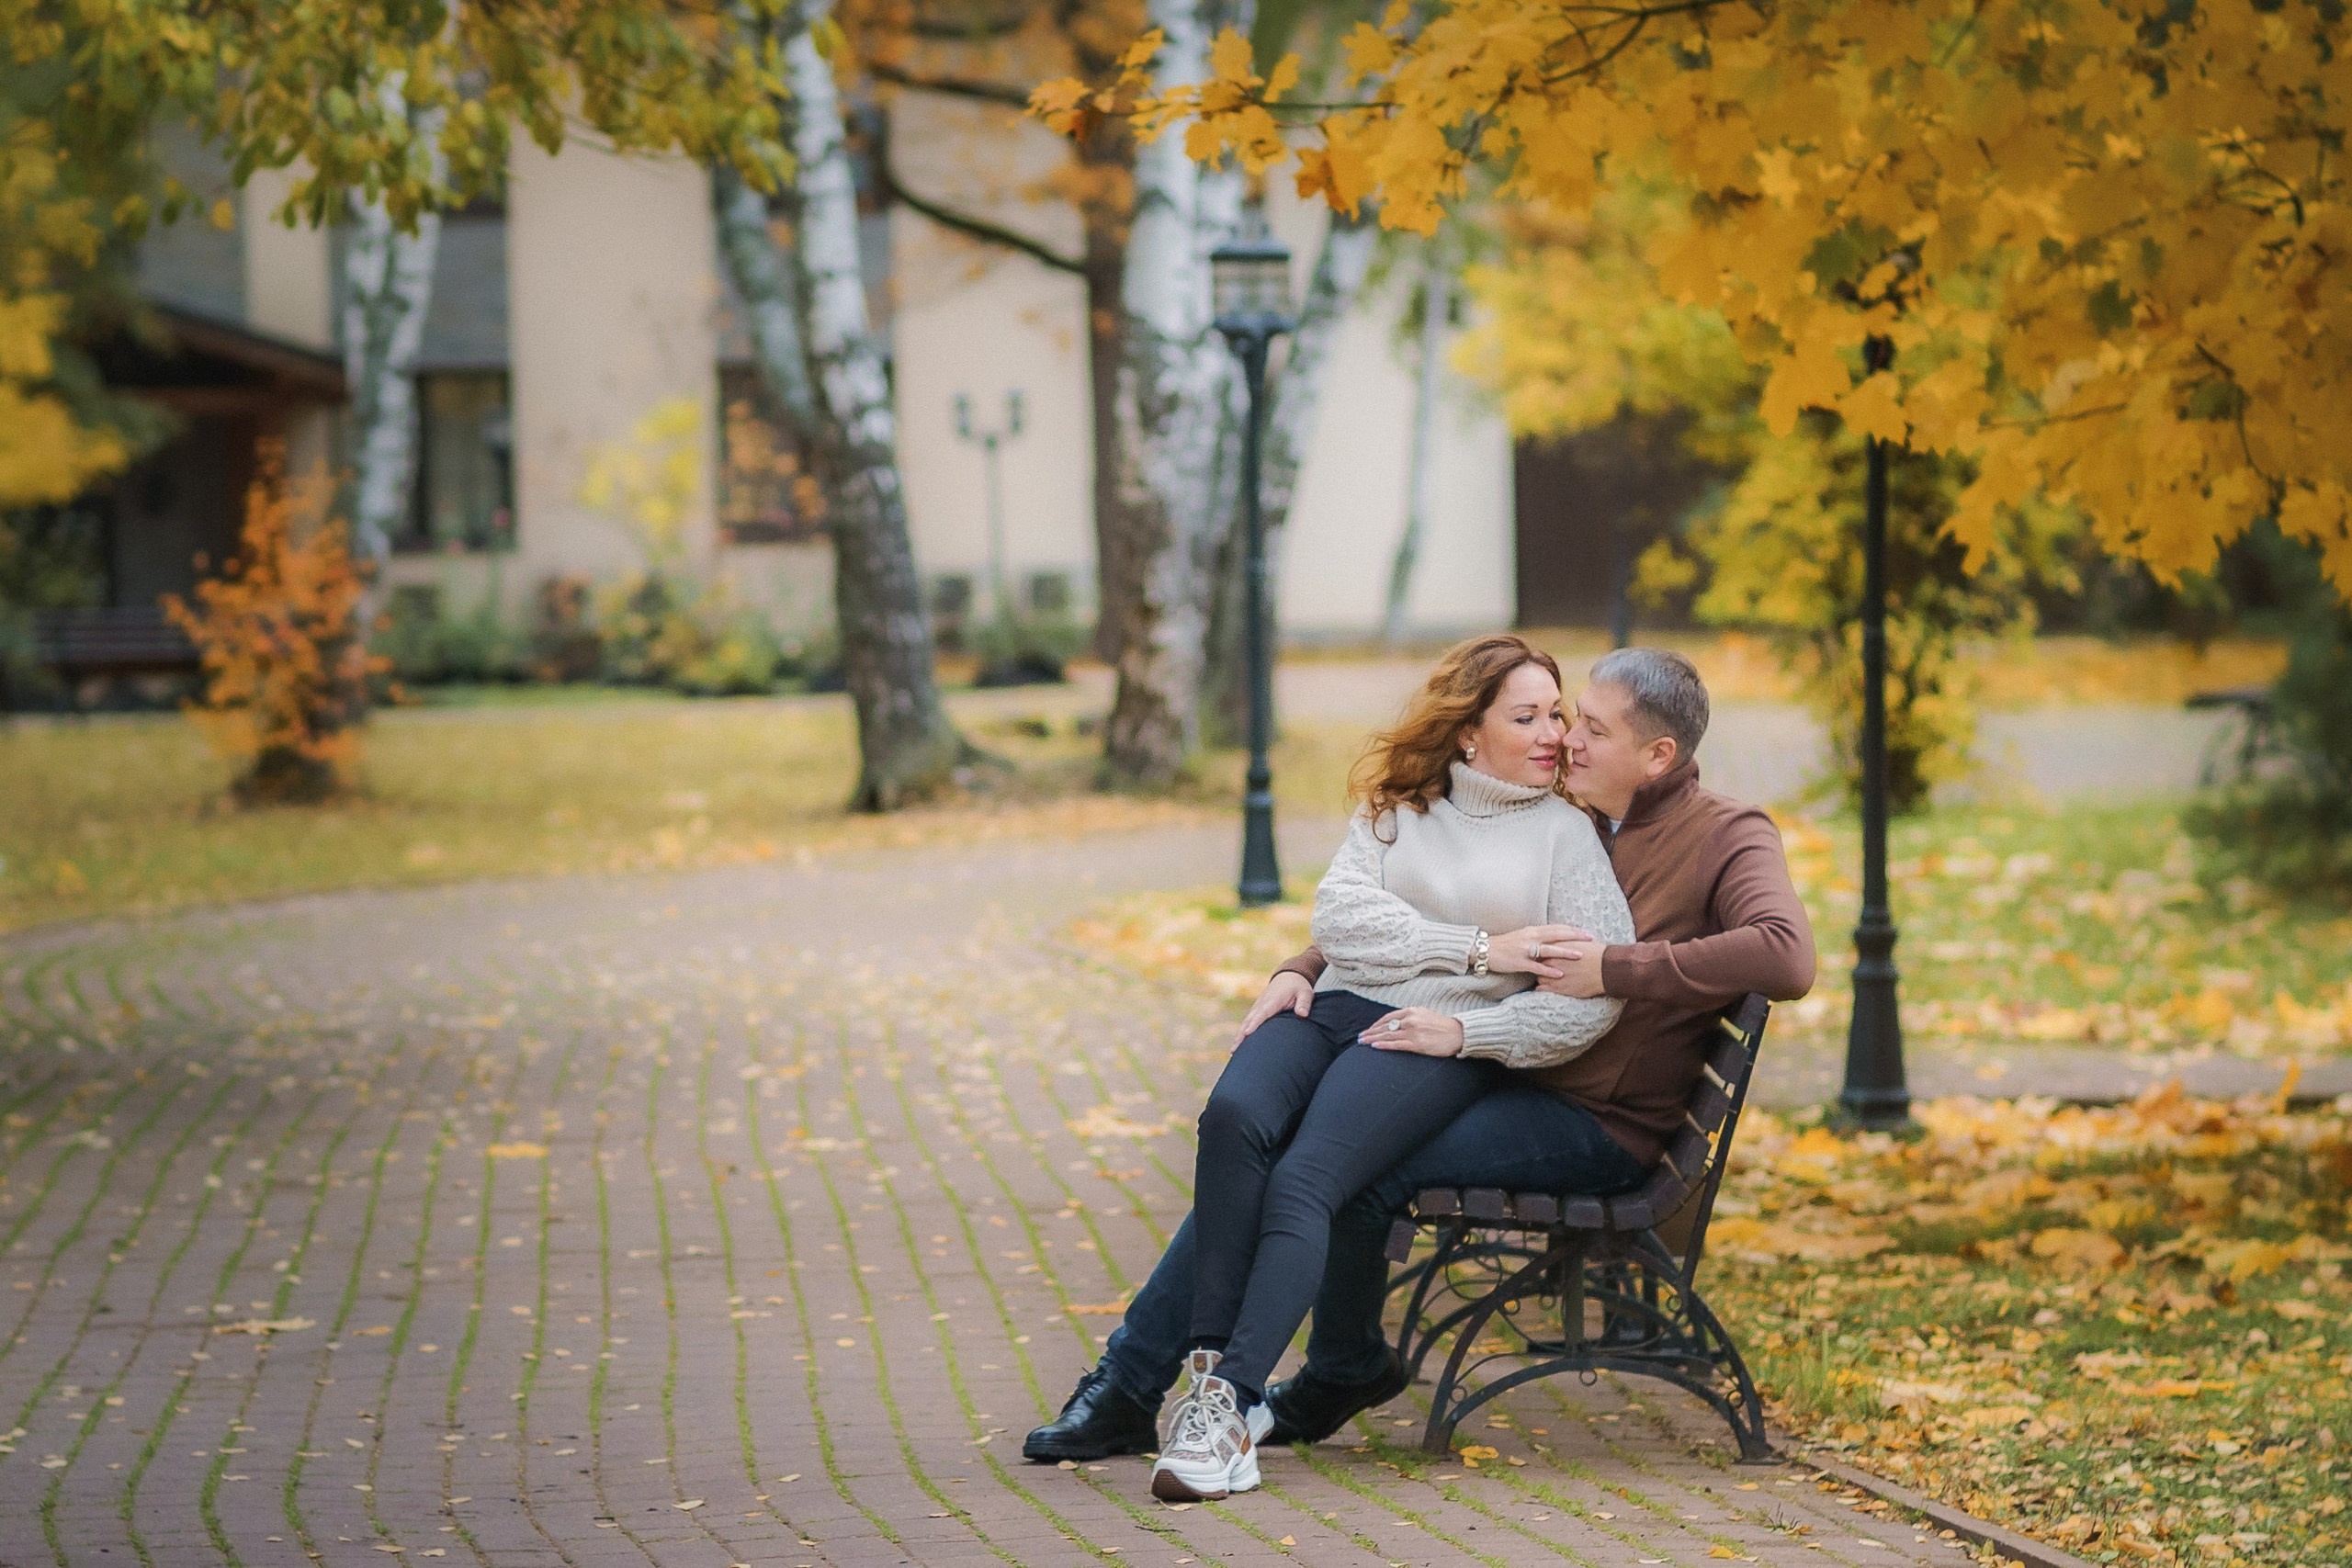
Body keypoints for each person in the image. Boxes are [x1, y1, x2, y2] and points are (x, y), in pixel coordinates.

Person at [1024, 646, 1815, 1469]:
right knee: (1274, 1143)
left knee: (1330, 1164)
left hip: (1588, 1117)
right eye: (1566, 716)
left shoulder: (1724, 833)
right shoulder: (1575, 810)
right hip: (1504, 1064)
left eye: (1590, 727)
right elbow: (1441, 896)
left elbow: (1787, 955)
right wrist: (1306, 967)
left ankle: (1299, 1373)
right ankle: (1175, 1377)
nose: (1567, 738)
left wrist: (1614, 968)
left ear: (1659, 755)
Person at [1143, 634, 1635, 1503]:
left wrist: (1471, 1030)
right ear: (1467, 733)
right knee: (1230, 1119)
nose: (1554, 732)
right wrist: (1482, 945)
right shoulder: (1399, 806)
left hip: (1431, 1036)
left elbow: (1590, 999)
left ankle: (1232, 1406)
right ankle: (1210, 1374)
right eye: (1527, 715)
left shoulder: (1567, 838)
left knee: (1306, 1179)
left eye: (1556, 713)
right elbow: (1341, 919)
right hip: (1329, 1005)